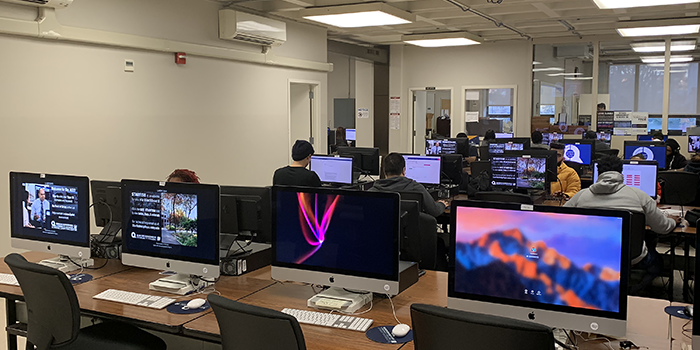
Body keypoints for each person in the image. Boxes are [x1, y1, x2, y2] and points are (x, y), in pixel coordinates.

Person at [565, 156, 679, 289]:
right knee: (657, 262)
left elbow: (561, 222)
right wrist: (673, 221)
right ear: (621, 172)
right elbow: (663, 228)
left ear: (598, 172)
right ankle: (635, 290)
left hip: (590, 255)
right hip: (631, 256)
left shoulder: (580, 196)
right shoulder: (640, 196)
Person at [370, 153, 449, 218]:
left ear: (384, 172)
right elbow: (434, 211)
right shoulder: (416, 188)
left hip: (381, 234)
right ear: (404, 170)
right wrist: (442, 204)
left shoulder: (373, 191)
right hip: (410, 235)